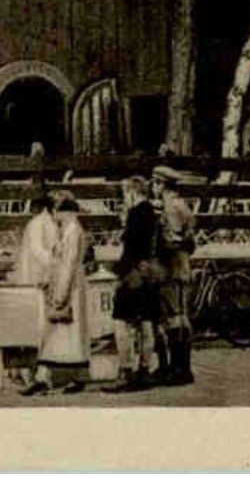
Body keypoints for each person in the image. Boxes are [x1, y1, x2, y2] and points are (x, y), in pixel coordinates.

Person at [20, 192, 89, 395]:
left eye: (58, 212)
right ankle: (61, 377)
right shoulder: (70, 230)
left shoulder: (72, 231)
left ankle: (52, 378)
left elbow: (67, 264)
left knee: (60, 334)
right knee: (64, 336)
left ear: (65, 212)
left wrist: (60, 294)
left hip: (68, 288)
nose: (55, 216)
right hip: (67, 286)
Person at [104, 176, 161, 393]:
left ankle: (126, 370)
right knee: (146, 323)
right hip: (148, 272)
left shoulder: (136, 213)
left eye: (125, 193)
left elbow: (130, 249)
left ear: (132, 192)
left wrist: (120, 275)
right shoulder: (151, 212)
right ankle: (144, 369)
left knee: (121, 323)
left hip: (133, 273)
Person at [153, 166, 197, 385]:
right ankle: (184, 368)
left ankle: (177, 369)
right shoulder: (184, 206)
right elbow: (191, 242)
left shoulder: (169, 208)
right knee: (182, 316)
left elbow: (170, 240)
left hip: (169, 268)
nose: (153, 187)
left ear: (161, 184)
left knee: (172, 318)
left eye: (155, 183)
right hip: (183, 266)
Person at [10, 191, 57, 288]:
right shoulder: (37, 223)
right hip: (35, 272)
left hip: (46, 271)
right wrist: (54, 262)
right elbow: (36, 249)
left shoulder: (51, 222)